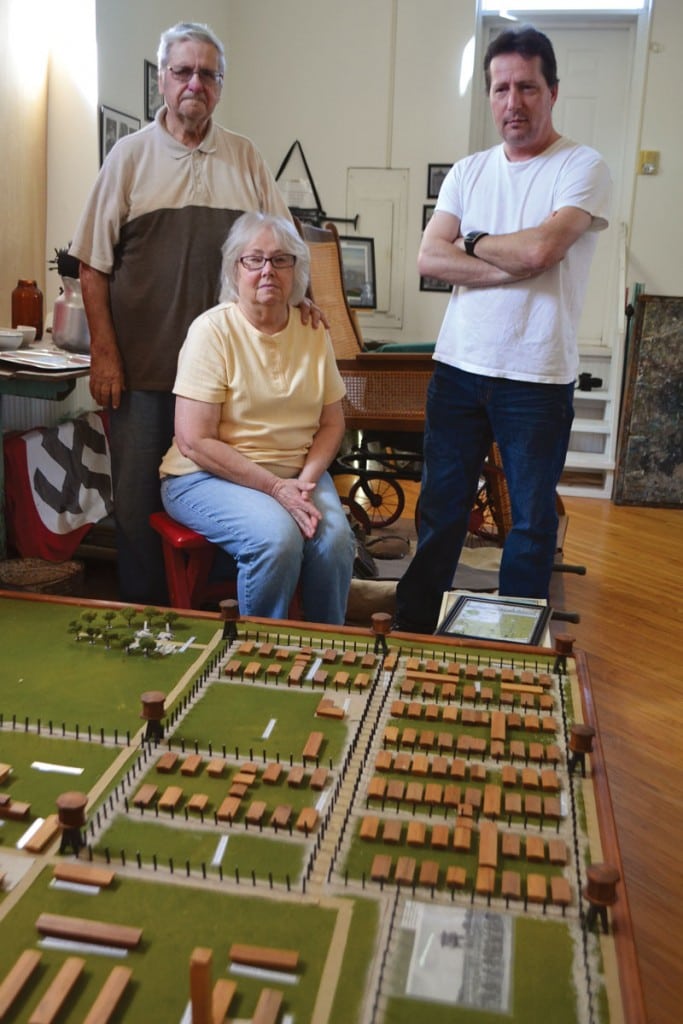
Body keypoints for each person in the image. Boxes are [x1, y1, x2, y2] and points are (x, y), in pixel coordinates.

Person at [70, 22, 302, 605]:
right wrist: (104, 352)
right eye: (182, 71)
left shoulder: (245, 157)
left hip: (230, 382)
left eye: (207, 73)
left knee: (228, 496)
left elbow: (286, 250)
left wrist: (309, 308)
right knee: (137, 501)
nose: (194, 83)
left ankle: (212, 615)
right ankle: (148, 620)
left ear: (220, 87)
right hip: (143, 373)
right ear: (163, 81)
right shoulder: (128, 157)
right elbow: (91, 267)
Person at [395, 25, 611, 634]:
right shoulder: (468, 171)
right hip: (459, 368)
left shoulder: (582, 167)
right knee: (439, 511)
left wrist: (472, 242)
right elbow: (427, 260)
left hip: (536, 377)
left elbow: (543, 249)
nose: (512, 102)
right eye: (500, 88)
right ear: (488, 95)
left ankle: (513, 644)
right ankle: (413, 630)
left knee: (531, 521)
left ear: (552, 92)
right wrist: (505, 263)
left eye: (526, 87)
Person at [159, 212, 355, 624]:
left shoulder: (313, 329)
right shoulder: (212, 331)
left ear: (296, 270)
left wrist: (303, 481)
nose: (268, 270)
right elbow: (194, 440)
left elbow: (332, 423)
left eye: (281, 260)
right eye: (255, 259)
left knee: (336, 541)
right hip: (205, 476)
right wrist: (275, 488)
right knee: (276, 537)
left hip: (296, 473)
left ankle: (328, 651)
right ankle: (260, 654)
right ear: (236, 269)